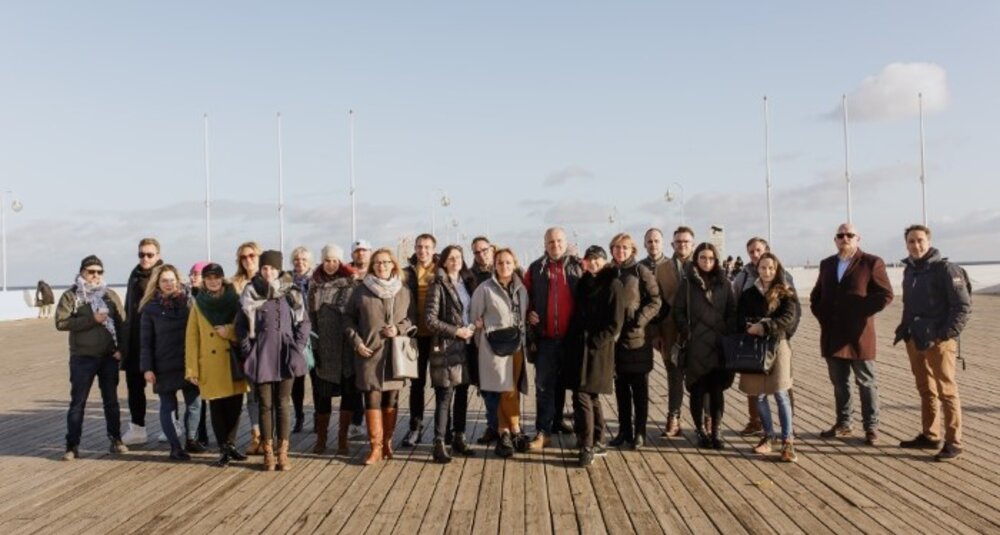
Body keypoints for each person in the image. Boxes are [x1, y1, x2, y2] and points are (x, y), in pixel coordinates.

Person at [893, 224, 971, 461]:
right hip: (915, 337)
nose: (916, 245)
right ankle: (930, 434)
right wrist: (904, 329)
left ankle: (954, 442)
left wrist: (945, 334)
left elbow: (962, 307)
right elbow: (909, 304)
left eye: (920, 241)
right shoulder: (910, 271)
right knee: (926, 389)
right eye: (911, 242)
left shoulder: (946, 270)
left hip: (938, 340)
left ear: (929, 242)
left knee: (947, 390)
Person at [810, 223, 893, 446]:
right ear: (835, 240)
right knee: (839, 383)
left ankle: (871, 427)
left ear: (858, 239)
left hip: (858, 334)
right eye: (840, 235)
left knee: (866, 382)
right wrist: (822, 315)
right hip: (832, 333)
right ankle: (843, 422)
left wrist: (860, 311)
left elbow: (885, 295)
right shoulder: (827, 264)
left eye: (849, 235)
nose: (845, 238)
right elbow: (816, 296)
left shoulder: (871, 262)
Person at [236, 250, 311, 471]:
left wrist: (297, 346)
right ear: (260, 269)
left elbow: (304, 322)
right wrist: (249, 350)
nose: (268, 272)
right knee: (265, 404)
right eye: (265, 268)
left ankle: (283, 453)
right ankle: (268, 453)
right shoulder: (250, 292)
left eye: (272, 268)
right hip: (261, 355)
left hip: (286, 354)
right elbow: (240, 326)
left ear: (279, 270)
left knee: (283, 404)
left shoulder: (291, 291)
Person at [345, 248, 415, 465]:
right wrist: (356, 342)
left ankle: (387, 443)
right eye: (377, 263)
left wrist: (399, 328)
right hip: (369, 353)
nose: (382, 266)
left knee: (391, 398)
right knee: (372, 397)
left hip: (394, 354)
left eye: (386, 262)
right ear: (372, 266)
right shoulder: (361, 291)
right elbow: (347, 319)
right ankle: (375, 447)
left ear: (393, 264)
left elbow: (412, 319)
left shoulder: (403, 291)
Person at [56, 255, 129, 460]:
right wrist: (91, 319)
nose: (95, 275)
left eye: (99, 272)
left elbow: (123, 324)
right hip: (82, 358)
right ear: (82, 272)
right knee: (78, 402)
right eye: (91, 271)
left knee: (111, 402)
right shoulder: (72, 296)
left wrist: (121, 349)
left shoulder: (110, 295)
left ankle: (116, 439)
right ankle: (72, 445)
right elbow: (61, 322)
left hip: (108, 357)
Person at [731, 237, 800, 438]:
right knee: (758, 392)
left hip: (778, 342)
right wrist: (747, 328)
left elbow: (791, 314)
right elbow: (738, 311)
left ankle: (788, 435)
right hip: (754, 345)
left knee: (781, 390)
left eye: (758, 250)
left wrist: (773, 329)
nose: (755, 254)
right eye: (751, 251)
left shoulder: (785, 285)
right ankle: (762, 428)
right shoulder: (745, 282)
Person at [185, 262, 250, 467]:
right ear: (204, 280)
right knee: (217, 407)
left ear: (222, 278)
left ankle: (231, 445)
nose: (213, 281)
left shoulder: (235, 300)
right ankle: (223, 448)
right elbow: (192, 339)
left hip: (233, 362)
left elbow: (244, 328)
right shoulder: (198, 304)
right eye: (209, 278)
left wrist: (229, 331)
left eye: (216, 277)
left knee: (235, 407)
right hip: (210, 364)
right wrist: (192, 369)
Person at [524, 227, 583, 449]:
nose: (555, 245)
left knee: (578, 387)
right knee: (544, 387)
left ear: (565, 242)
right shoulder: (535, 268)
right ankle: (543, 432)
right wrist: (529, 313)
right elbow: (526, 297)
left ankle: (582, 432)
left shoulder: (579, 266)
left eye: (559, 241)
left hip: (573, 339)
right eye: (551, 242)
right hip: (546, 338)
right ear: (545, 244)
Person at [674, 242, 737, 449]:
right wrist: (687, 331)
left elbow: (731, 311)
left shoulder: (725, 284)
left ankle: (716, 431)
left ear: (716, 260)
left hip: (718, 345)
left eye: (710, 258)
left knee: (717, 390)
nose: (707, 262)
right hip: (696, 346)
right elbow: (678, 311)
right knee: (698, 390)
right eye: (703, 258)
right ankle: (700, 431)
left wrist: (726, 331)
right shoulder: (687, 284)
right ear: (696, 259)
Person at [567, 246, 625, 466]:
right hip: (579, 346)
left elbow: (616, 322)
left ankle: (587, 445)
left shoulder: (613, 284)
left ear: (605, 260)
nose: (593, 263)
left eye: (597, 259)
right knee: (590, 395)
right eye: (589, 259)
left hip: (598, 349)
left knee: (582, 394)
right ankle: (599, 439)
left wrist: (596, 341)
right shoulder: (584, 283)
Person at [470, 248, 531, 458]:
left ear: (514, 264)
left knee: (511, 389)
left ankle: (506, 432)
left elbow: (523, 315)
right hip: (493, 348)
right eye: (500, 263)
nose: (504, 266)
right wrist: (483, 347)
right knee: (503, 389)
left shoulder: (522, 288)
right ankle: (512, 430)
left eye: (507, 262)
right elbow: (475, 319)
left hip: (516, 345)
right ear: (494, 265)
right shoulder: (484, 289)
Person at [139, 264, 202, 460]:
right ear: (157, 283)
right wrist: (147, 368)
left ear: (178, 281)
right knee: (168, 406)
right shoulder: (150, 308)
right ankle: (175, 447)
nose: (169, 284)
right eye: (164, 280)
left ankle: (191, 439)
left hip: (187, 362)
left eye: (172, 280)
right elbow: (145, 342)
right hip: (163, 364)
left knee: (195, 403)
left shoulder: (189, 303)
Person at [607, 233, 662, 450]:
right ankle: (624, 431)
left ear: (632, 250)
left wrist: (640, 320)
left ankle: (639, 432)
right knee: (620, 389)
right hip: (615, 341)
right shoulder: (609, 272)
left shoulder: (641, 271)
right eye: (616, 247)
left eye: (624, 247)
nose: (620, 251)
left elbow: (656, 300)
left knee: (639, 389)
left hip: (637, 339)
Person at [425, 245, 478, 463]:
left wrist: (474, 326)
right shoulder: (437, 285)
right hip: (447, 347)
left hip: (466, 345)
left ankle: (459, 437)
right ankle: (439, 442)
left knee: (463, 394)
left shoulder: (466, 283)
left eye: (459, 257)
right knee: (444, 396)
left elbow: (469, 312)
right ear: (444, 262)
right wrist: (456, 331)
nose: (455, 260)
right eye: (451, 258)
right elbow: (430, 320)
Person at [306, 244, 360, 455]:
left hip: (347, 347)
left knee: (349, 395)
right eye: (327, 260)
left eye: (335, 261)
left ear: (341, 262)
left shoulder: (351, 284)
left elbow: (356, 315)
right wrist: (316, 346)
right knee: (322, 396)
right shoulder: (314, 286)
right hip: (324, 348)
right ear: (322, 261)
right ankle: (321, 439)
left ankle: (342, 439)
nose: (331, 264)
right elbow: (310, 318)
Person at [120, 238, 163, 446]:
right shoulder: (134, 275)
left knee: (164, 387)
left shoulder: (164, 275)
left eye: (149, 254)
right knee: (134, 387)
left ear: (158, 256)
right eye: (141, 254)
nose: (145, 258)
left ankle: (170, 426)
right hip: (135, 340)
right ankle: (138, 429)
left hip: (158, 340)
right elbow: (128, 309)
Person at [654, 226, 696, 437]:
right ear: (672, 244)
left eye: (686, 242)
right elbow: (656, 303)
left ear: (693, 244)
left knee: (700, 376)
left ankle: (705, 421)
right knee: (674, 375)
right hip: (670, 331)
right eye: (678, 242)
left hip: (697, 331)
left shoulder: (702, 266)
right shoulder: (662, 269)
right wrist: (656, 334)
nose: (682, 245)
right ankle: (673, 418)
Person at [401, 234, 439, 447]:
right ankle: (415, 427)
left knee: (442, 384)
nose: (422, 251)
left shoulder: (441, 271)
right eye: (419, 247)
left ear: (434, 249)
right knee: (417, 385)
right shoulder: (407, 273)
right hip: (416, 337)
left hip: (437, 336)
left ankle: (443, 429)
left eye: (426, 247)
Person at [232, 241, 265, 455]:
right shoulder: (234, 284)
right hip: (246, 345)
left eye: (252, 255)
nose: (248, 260)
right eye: (243, 257)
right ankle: (256, 436)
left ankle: (270, 437)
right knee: (252, 395)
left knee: (269, 395)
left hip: (267, 345)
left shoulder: (269, 280)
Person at [290, 246, 314, 433]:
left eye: (304, 260)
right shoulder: (286, 281)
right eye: (297, 259)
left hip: (315, 333)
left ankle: (317, 416)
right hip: (295, 332)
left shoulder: (316, 280)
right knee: (297, 378)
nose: (300, 263)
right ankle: (299, 416)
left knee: (316, 377)